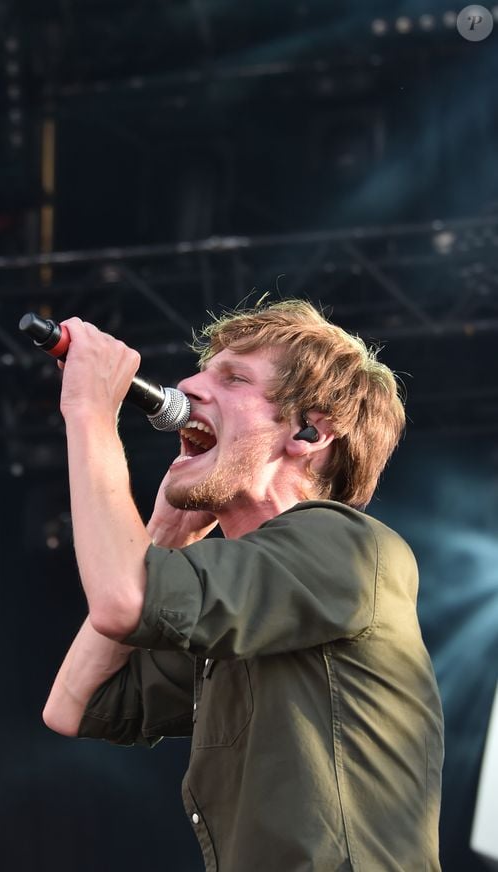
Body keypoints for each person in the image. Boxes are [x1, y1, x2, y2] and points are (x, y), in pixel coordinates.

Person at [43, 299, 444, 872]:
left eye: (233, 378)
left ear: (309, 431)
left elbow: (122, 600)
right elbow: (73, 706)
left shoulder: (347, 547)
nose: (189, 386)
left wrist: (90, 412)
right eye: (203, 372)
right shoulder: (246, 596)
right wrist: (163, 533)